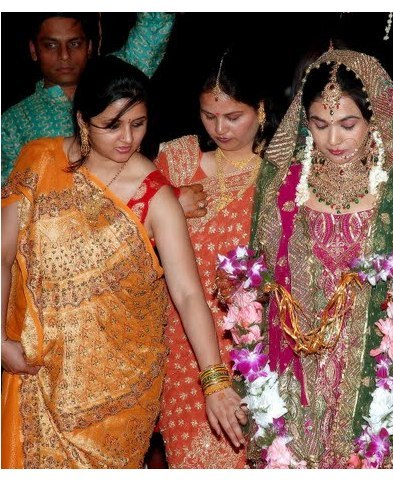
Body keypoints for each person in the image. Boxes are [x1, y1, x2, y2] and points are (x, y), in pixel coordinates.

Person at [1, 56, 246, 468]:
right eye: (111, 125)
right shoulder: (40, 162)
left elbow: (188, 294)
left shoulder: (155, 194)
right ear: (83, 119)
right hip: (39, 373)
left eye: (138, 124)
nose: (127, 139)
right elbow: (3, 254)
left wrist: (215, 381)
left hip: (121, 392)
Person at [248, 47, 393, 468]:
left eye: (347, 124)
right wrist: (244, 283)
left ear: (374, 118)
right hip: (298, 371)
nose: (332, 140)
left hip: (375, 365)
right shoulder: (284, 185)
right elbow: (262, 275)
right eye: (319, 124)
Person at [155, 50, 276, 468]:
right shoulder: (176, 162)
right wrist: (168, 204)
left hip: (249, 348)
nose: (220, 129)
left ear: (261, 109)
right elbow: (123, 228)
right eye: (209, 116)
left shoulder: (280, 178)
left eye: (233, 116)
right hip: (179, 347)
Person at [1, 13, 175, 184]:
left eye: (74, 44)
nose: (64, 55)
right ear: (34, 50)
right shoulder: (13, 122)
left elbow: (153, 28)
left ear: (89, 47)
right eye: (51, 45)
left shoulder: (116, 82)